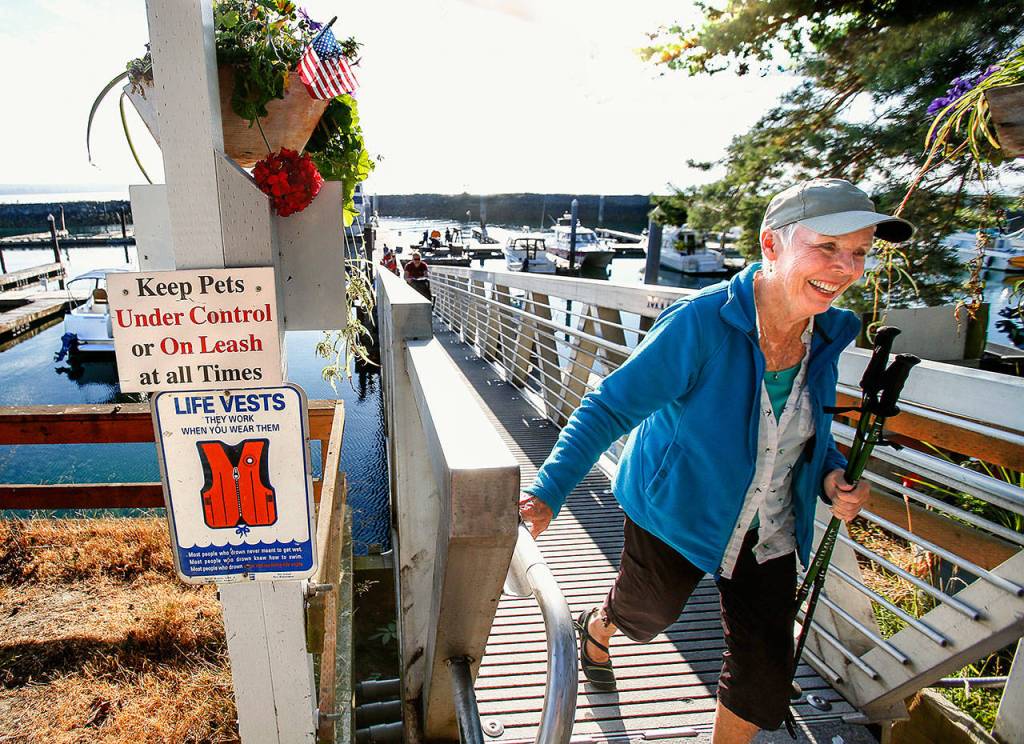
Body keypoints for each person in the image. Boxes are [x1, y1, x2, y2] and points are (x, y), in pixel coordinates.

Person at [518, 179, 914, 743]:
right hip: (676, 510)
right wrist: (548, 492)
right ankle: (599, 626)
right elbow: (608, 407)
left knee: (764, 671)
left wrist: (830, 473)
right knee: (644, 616)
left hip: (769, 525)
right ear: (772, 246)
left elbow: (798, 431)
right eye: (828, 247)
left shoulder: (827, 335)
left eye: (859, 252)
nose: (847, 267)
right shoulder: (701, 324)